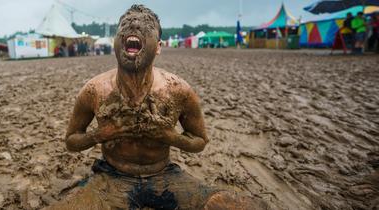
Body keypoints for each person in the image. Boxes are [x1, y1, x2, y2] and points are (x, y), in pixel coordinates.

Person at [46, 4, 267, 210]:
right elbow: (71, 140)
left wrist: (170, 136)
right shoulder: (95, 90)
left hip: (164, 177)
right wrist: (100, 134)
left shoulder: (178, 90)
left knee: (224, 203)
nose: (133, 25)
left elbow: (200, 142)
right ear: (116, 41)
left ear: (159, 47)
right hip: (111, 177)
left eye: (146, 26)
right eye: (125, 24)